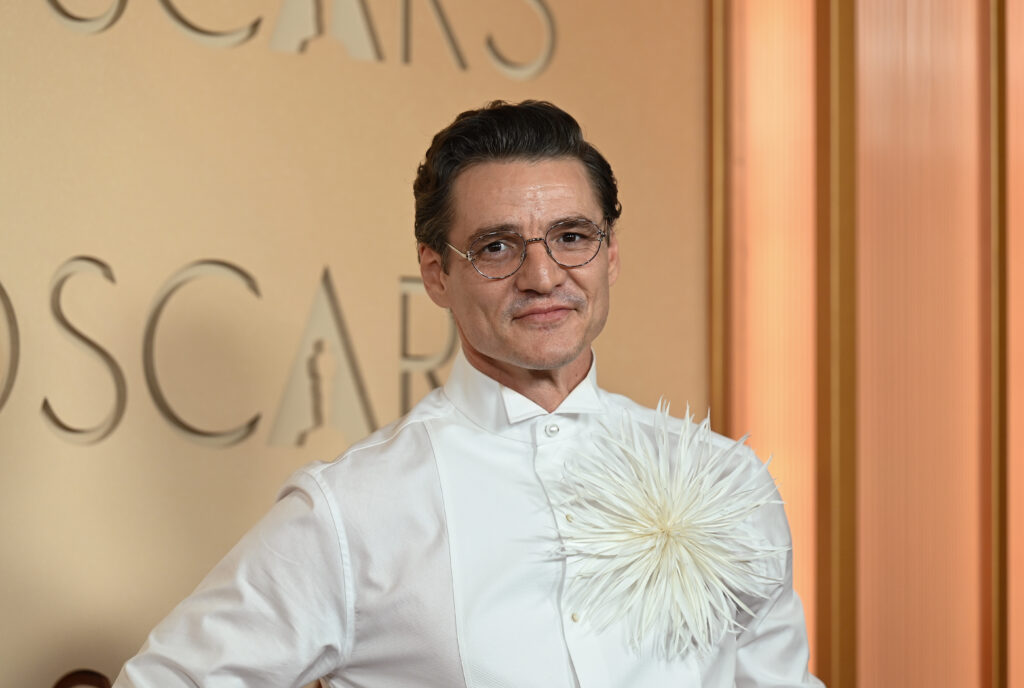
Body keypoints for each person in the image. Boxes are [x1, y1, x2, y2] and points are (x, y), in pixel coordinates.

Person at [114, 100, 823, 687]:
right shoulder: (353, 510)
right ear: (436, 273)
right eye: (497, 247)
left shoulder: (728, 479)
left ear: (610, 254)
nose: (543, 277)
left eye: (571, 236)